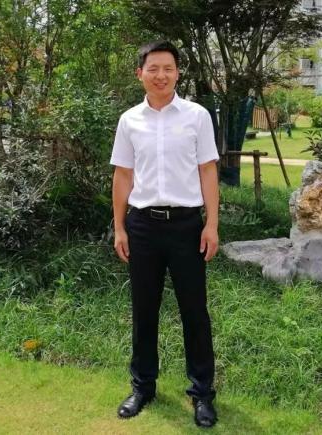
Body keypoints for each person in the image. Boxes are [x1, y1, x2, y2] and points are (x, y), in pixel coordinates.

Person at [110, 40, 220, 428]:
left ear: (178, 73)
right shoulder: (129, 121)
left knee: (195, 311)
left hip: (187, 226)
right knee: (144, 310)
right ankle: (143, 387)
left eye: (168, 68)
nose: (161, 75)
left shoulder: (197, 116)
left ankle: (202, 393)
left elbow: (208, 170)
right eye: (153, 68)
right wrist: (119, 227)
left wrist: (211, 224)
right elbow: (123, 175)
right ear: (140, 74)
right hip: (142, 226)